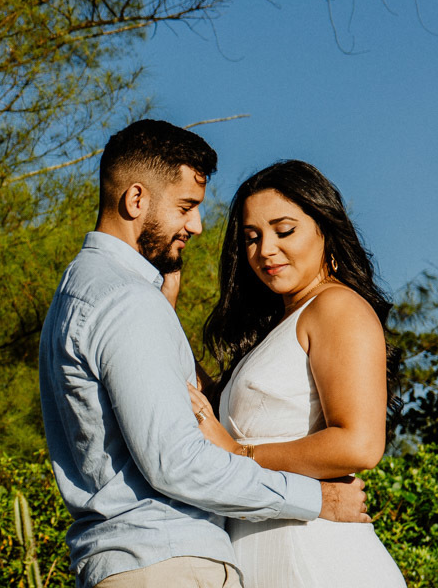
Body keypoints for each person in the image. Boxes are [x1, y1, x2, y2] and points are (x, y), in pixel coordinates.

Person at [38, 120, 370, 588]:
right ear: (137, 200)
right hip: (167, 562)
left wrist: (166, 320)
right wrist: (318, 499)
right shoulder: (127, 300)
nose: (196, 225)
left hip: (140, 559)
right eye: (186, 207)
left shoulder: (79, 290)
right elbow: (176, 461)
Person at [187, 160, 405, 587]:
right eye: (251, 238)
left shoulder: (336, 307)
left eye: (284, 231)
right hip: (268, 554)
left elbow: (359, 445)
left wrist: (240, 455)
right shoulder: (281, 326)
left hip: (317, 560)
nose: (265, 250)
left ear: (325, 228)